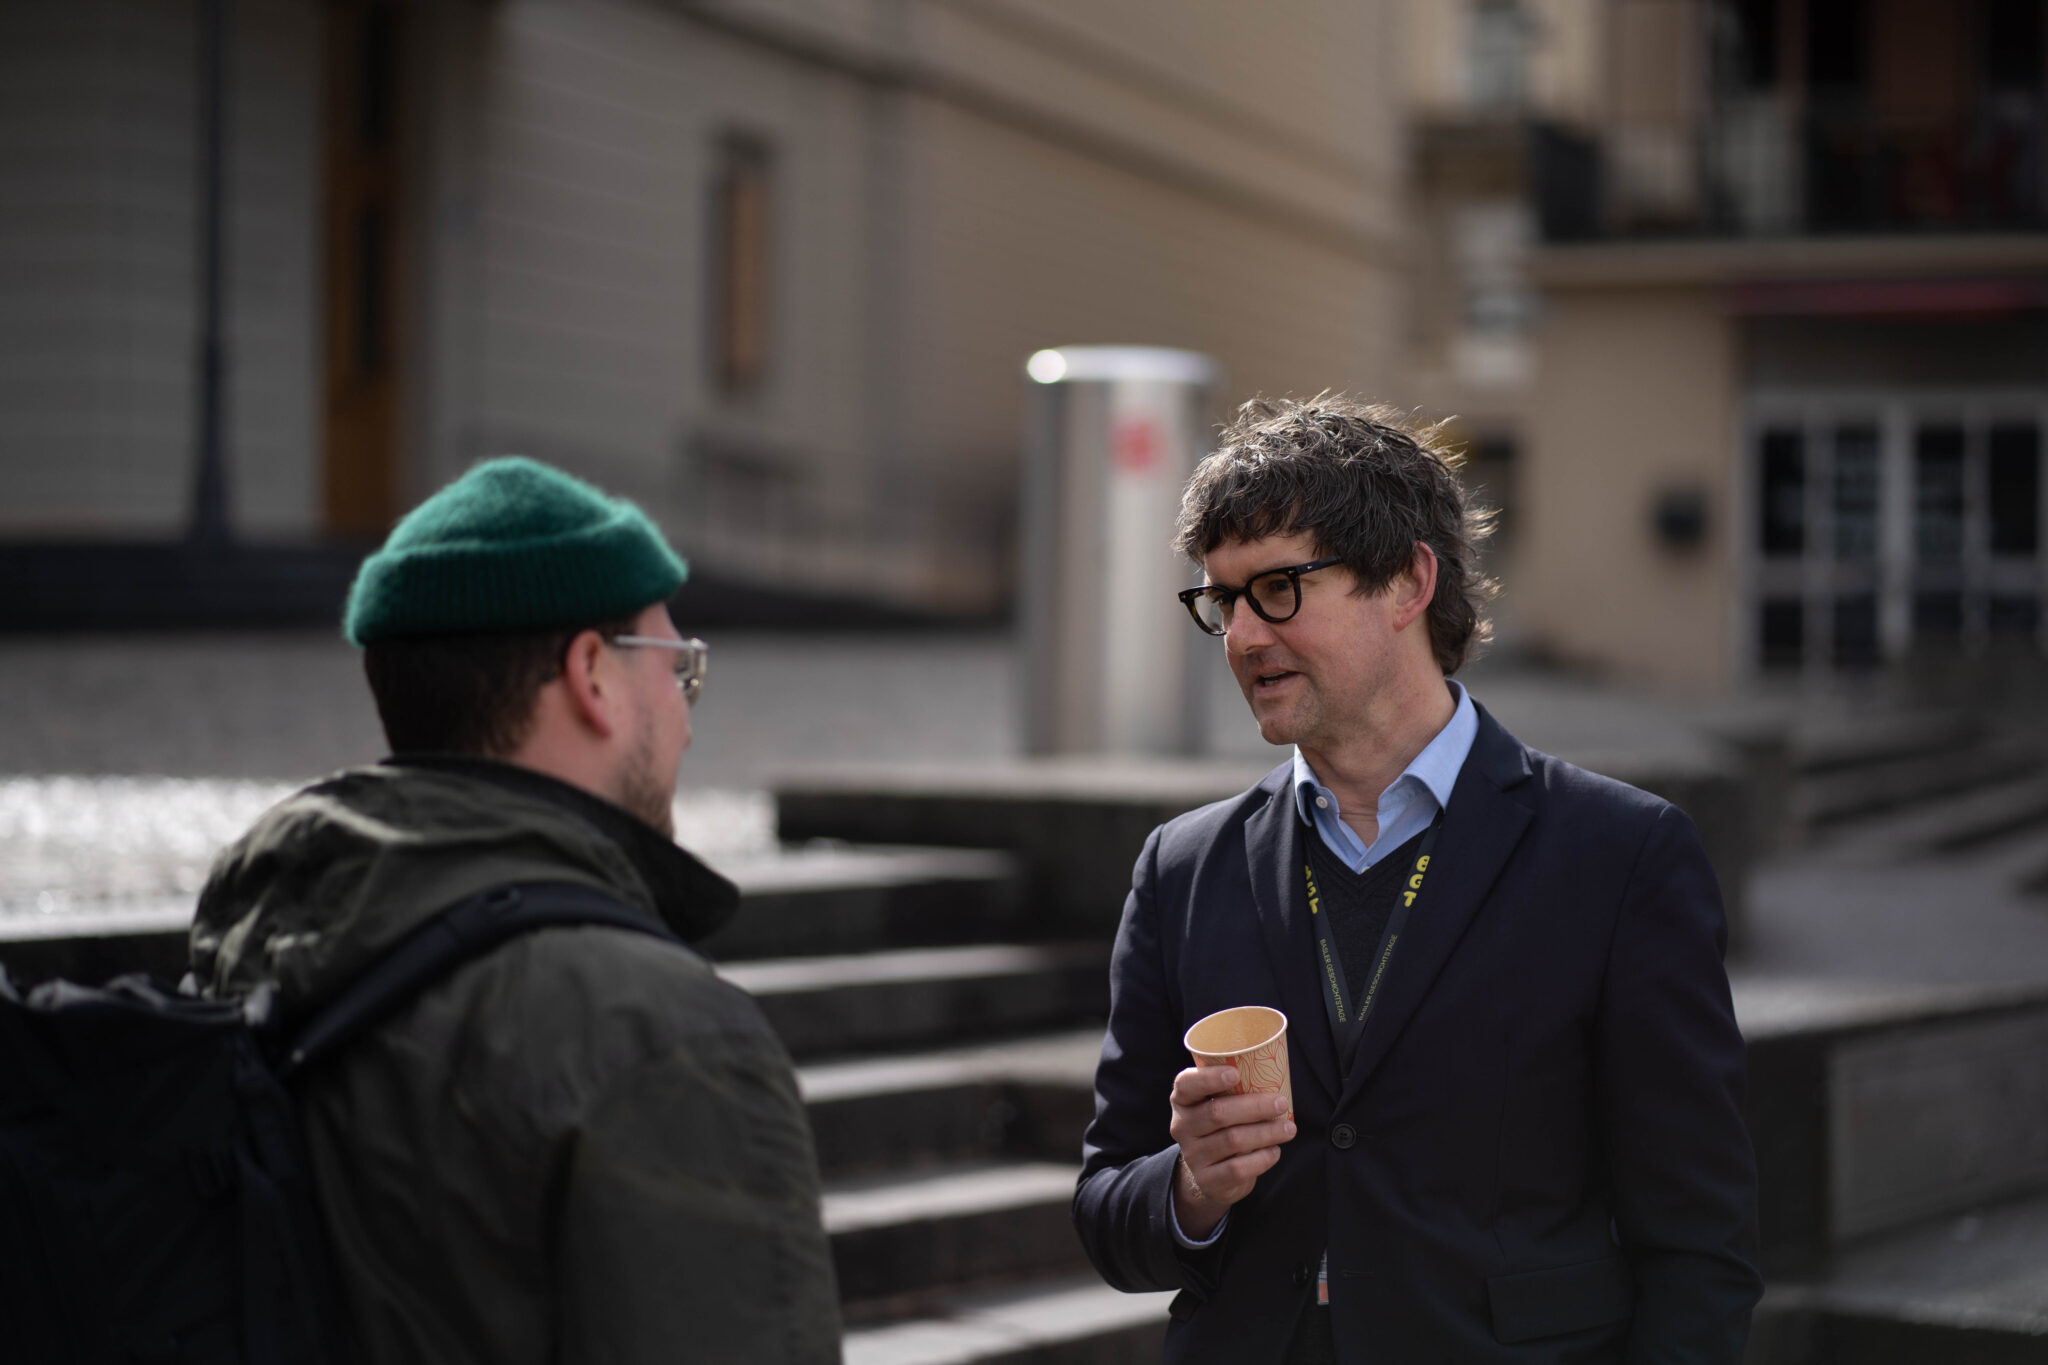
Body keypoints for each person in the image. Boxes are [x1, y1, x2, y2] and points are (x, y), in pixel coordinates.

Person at [1072, 397, 1761, 1363]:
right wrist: (1193, 1187)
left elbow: (1698, 1240)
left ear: (1408, 581)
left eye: (1278, 587)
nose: (1244, 635)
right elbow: (1107, 1210)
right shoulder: (1182, 867)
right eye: (1223, 600)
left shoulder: (1621, 855)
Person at [189, 457, 843, 1364]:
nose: (687, 719)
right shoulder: (664, 1038)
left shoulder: (251, 940)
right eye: (679, 671)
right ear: (592, 673)